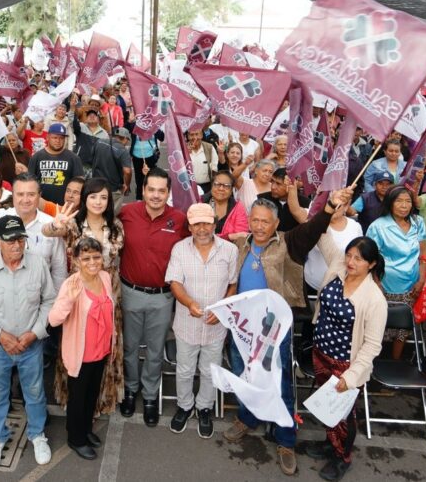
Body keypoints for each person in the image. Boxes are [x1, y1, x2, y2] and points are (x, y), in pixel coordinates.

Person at [222, 188, 353, 476]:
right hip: (244, 325)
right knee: (245, 374)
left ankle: (285, 438)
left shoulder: (290, 243)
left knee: (281, 383)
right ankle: (247, 417)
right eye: (254, 220)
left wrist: (330, 206)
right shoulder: (243, 243)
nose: (258, 226)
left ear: (276, 223)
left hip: (275, 328)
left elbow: (313, 228)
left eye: (264, 221)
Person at [0, 215, 57, 473]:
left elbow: (48, 302)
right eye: (10, 240)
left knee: (36, 392)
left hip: (31, 346)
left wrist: (34, 333)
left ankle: (38, 435)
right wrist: (1, 336)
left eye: (21, 239)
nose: (17, 245)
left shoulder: (38, 264)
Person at [304, 236, 387, 482]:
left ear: (371, 264)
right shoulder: (338, 267)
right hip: (321, 353)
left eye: (358, 259)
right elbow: (323, 236)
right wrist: (329, 209)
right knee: (328, 408)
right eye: (349, 255)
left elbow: (372, 345)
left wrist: (350, 377)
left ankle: (343, 458)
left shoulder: (374, 299)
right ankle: (330, 444)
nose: (350, 261)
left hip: (346, 364)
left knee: (344, 414)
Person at [44, 177, 125, 416]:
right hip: (78, 294)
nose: (98, 202)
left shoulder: (116, 226)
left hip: (108, 289)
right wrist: (55, 223)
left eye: (103, 197)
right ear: (85, 198)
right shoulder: (73, 224)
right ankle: (74, 403)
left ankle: (99, 400)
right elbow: (47, 231)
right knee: (77, 345)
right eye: (93, 196)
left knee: (105, 346)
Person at [116, 168, 190, 426]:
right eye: (151, 190)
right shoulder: (127, 212)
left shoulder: (179, 220)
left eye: (162, 191)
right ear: (143, 190)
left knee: (156, 350)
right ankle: (130, 389)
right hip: (130, 292)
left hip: (162, 296)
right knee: (130, 348)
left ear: (168, 193)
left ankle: (149, 396)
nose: (156, 195)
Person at [165, 203, 237, 438]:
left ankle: (204, 407)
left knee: (209, 370)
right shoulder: (179, 249)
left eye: (207, 223)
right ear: (190, 226)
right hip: (187, 323)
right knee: (185, 370)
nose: (202, 229)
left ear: (215, 225)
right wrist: (188, 303)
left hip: (216, 327)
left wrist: (224, 309)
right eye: (197, 224)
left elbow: (233, 284)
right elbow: (175, 282)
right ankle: (185, 406)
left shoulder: (229, 250)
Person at [49, 237, 115, 460]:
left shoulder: (105, 277)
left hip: (101, 350)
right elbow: (54, 319)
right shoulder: (71, 284)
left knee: (92, 394)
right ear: (76, 260)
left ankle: (86, 429)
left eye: (96, 257)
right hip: (81, 353)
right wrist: (69, 299)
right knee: (78, 398)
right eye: (85, 258)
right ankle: (75, 438)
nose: (92, 262)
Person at [0, 173, 67, 290]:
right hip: (1, 296)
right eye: (20, 194)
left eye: (31, 194)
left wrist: (55, 303)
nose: (25, 200)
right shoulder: (0, 218)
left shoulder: (52, 225)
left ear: (39, 196)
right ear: (12, 195)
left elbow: (59, 270)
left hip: (39, 299)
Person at [365, 185, 426, 360]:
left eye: (408, 201)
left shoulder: (418, 222)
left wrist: (421, 279)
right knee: (378, 326)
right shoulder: (378, 226)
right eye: (399, 201)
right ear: (390, 203)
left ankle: (395, 362)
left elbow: (423, 254)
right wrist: (376, 283)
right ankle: (373, 364)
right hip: (384, 286)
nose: (404, 205)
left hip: (411, 285)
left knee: (402, 329)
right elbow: (370, 258)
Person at [29, 123, 84, 205]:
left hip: (64, 206)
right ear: (47, 137)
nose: (58, 141)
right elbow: (30, 183)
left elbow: (80, 184)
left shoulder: (74, 158)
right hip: (41, 205)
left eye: (61, 138)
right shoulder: (36, 157)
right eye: (55, 137)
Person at [348, 165, 394, 236]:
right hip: (367, 236)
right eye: (381, 183)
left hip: (389, 236)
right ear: (374, 185)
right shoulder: (365, 198)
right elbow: (350, 212)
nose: (384, 187)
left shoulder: (396, 198)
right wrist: (346, 201)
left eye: (388, 184)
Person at [209, 170, 249, 241]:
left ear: (231, 190)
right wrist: (229, 236)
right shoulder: (201, 202)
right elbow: (199, 235)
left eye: (226, 186)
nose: (221, 188)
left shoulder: (238, 207)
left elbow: (241, 236)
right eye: (217, 184)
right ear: (211, 186)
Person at [185, 129, 219, 195]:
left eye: (197, 134)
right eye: (191, 135)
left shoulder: (209, 147)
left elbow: (214, 169)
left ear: (202, 135)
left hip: (206, 187)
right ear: (188, 137)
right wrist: (185, 153)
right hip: (188, 187)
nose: (195, 138)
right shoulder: (183, 148)